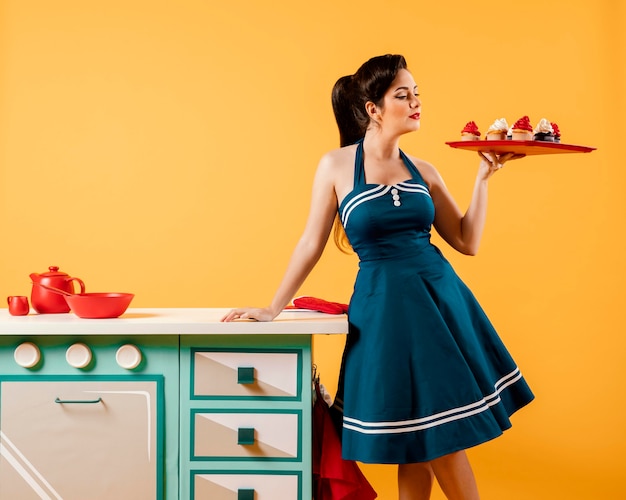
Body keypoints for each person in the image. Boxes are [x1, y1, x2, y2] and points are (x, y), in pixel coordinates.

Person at [222, 54, 534, 500]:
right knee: (414, 439)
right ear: (373, 108)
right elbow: (311, 243)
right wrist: (273, 307)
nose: (415, 103)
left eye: (417, 94)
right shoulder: (334, 166)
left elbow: (466, 241)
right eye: (402, 95)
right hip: (383, 312)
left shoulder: (425, 171)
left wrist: (483, 178)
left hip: (440, 307)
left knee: (438, 439)